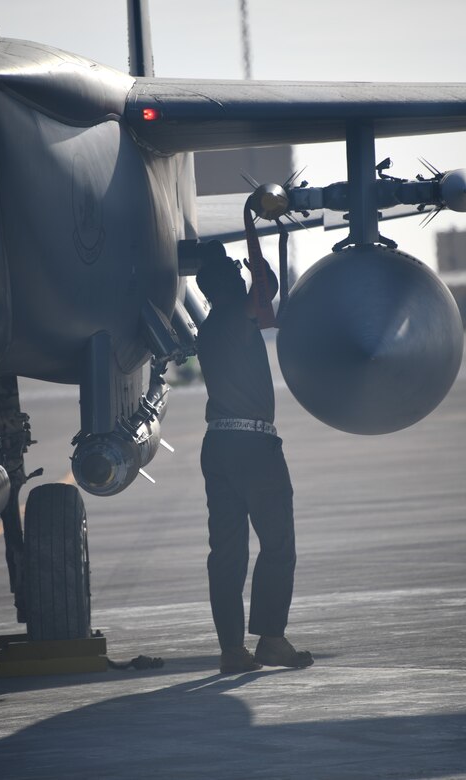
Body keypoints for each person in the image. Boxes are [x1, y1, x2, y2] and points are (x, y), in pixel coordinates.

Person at [195, 251, 313, 674]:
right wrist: (257, 257)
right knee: (278, 545)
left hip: (219, 445)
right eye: (232, 272)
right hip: (254, 447)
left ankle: (232, 651)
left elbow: (261, 295)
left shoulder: (209, 328)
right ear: (225, 287)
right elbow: (267, 292)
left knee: (226, 553)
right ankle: (271, 640)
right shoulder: (233, 316)